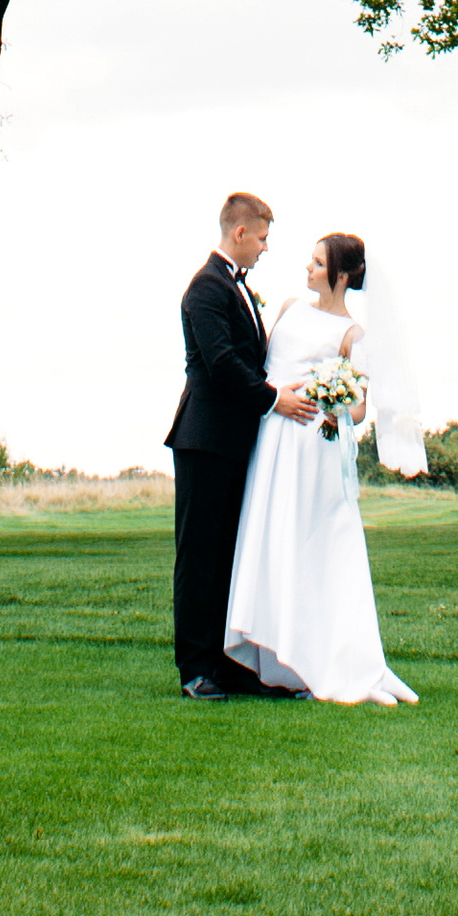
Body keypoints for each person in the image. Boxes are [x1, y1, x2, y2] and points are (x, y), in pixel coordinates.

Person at [223, 229, 417, 706]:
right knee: (270, 540)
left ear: (343, 274)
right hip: (271, 442)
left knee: (313, 549)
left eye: (316, 262)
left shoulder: (352, 335)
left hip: (312, 450)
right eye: (309, 260)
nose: (307, 268)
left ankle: (331, 662)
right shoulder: (288, 308)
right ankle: (277, 661)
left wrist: (329, 399)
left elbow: (357, 411)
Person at [166, 191, 313, 697]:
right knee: (200, 556)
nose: (266, 249)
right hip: (204, 440)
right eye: (264, 238)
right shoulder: (205, 288)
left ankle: (228, 665)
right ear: (241, 233)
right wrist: (276, 400)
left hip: (235, 443)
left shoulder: (238, 288)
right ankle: (196, 671)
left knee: (231, 555)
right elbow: (223, 363)